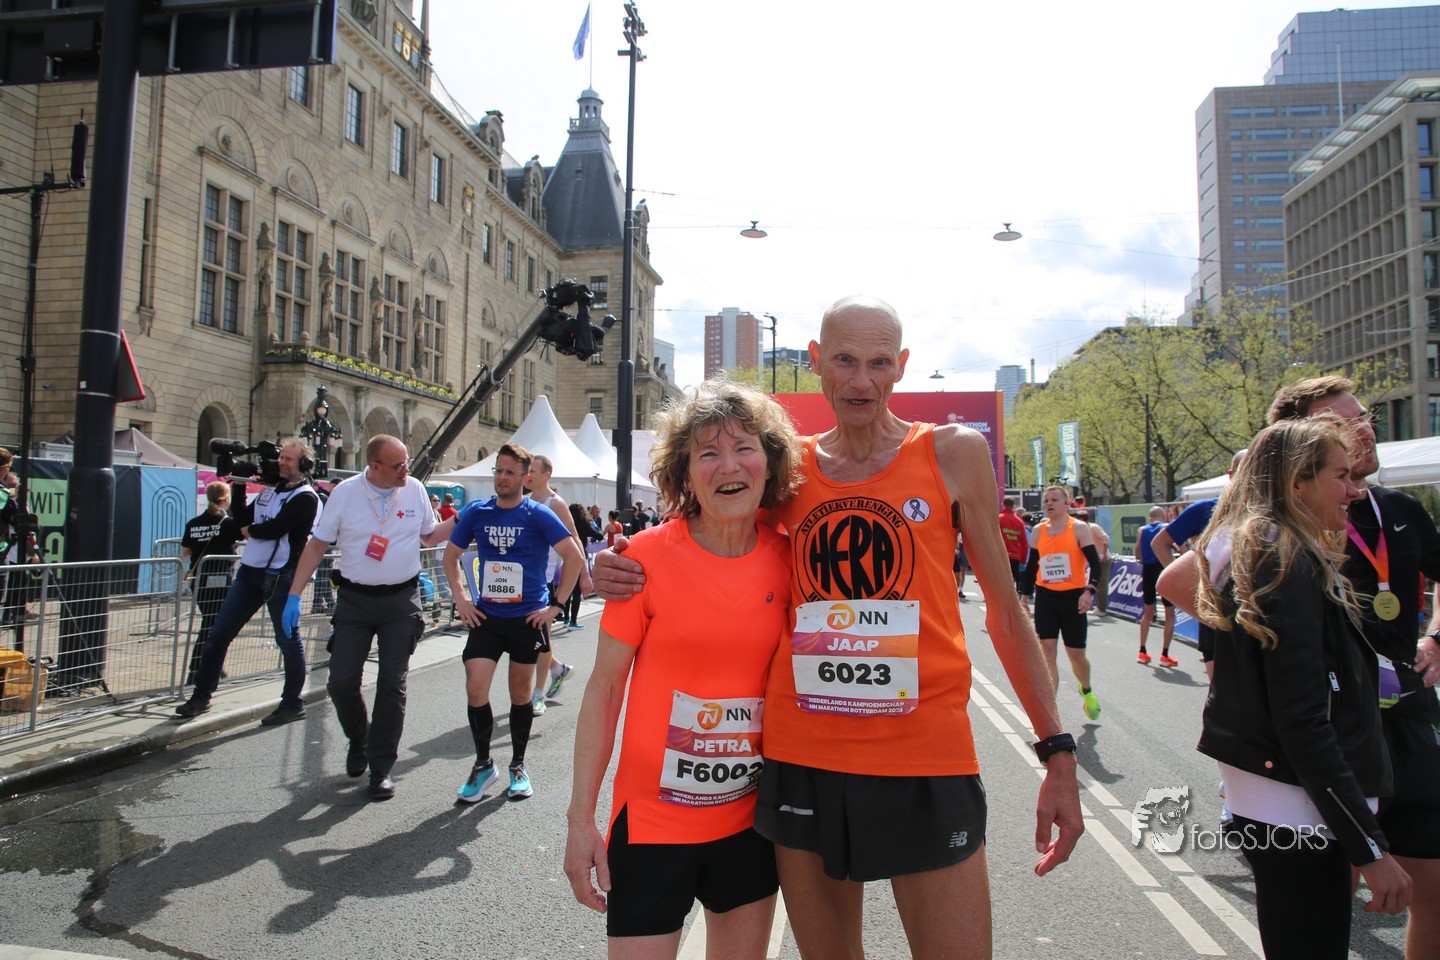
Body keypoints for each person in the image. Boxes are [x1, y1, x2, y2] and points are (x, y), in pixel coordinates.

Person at [595, 296, 1082, 960]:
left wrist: (1057, 750)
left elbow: (1004, 612)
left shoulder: (953, 453)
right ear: (817, 362)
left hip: (925, 758)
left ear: (901, 365)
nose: (861, 381)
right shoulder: (787, 469)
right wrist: (620, 560)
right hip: (806, 761)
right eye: (845, 361)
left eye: (878, 363)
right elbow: (706, 525)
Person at [565, 381, 800, 958]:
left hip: (749, 825)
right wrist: (580, 821)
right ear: (685, 474)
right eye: (708, 453)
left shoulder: (792, 558)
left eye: (744, 448)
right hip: (651, 826)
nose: (729, 466)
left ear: (770, 464)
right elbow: (604, 691)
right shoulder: (642, 560)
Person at [1192, 416, 1410, 958]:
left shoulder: (1272, 550)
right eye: (1341, 476)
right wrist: (1369, 847)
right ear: (1297, 483)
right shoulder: (1285, 561)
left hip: (1288, 803)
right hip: (1296, 810)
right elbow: (1303, 720)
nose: (1355, 490)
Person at [1268, 376, 1440, 960]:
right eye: (1343, 422)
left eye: (1364, 416)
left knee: (1433, 887)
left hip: (1407, 718)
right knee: (1325, 903)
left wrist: (1436, 637)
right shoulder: (1278, 524)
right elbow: (1181, 583)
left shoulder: (1400, 509)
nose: (1364, 429)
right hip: (1330, 731)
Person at [283, 434, 454, 801]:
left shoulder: (414, 490)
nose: (406, 470)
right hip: (355, 601)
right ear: (374, 466)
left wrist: (466, 520)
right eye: (398, 465)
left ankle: (380, 768)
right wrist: (294, 595)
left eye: (406, 462)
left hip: (401, 600)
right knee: (341, 681)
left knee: (393, 684)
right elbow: (317, 544)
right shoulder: (345, 494)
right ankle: (359, 738)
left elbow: (429, 536)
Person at [443, 443, 584, 803]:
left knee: (520, 695)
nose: (502, 478)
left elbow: (573, 556)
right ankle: (483, 765)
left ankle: (518, 766)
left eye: (510, 473)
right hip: (487, 617)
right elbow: (451, 555)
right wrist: (461, 600)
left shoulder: (538, 514)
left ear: (525, 478)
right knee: (475, 687)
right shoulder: (477, 511)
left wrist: (556, 606)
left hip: (526, 620)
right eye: (499, 471)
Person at [175, 440, 320, 727]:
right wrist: (239, 486)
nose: (281, 462)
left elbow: (274, 529)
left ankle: (292, 702)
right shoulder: (269, 492)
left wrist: (249, 530)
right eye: (281, 457)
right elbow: (238, 520)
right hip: (250, 573)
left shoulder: (306, 497)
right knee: (218, 633)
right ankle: (201, 696)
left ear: (304, 465)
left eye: (289, 459)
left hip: (282, 576)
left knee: (287, 640)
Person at [1024, 486, 1105, 720]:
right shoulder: (1039, 531)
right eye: (1046, 500)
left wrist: (1089, 591)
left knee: (1076, 656)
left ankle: (1086, 689)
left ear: (1067, 504)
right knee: (1047, 652)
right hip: (1046, 597)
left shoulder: (1078, 528)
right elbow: (1032, 567)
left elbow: (1095, 564)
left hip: (1073, 598)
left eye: (1054, 500)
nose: (1049, 503)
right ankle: (1051, 711)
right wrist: (1024, 597)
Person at [527, 454, 594, 714]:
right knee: (525, 640)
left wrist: (584, 574)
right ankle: (557, 668)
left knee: (540, 638)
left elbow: (574, 538)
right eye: (527, 470)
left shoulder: (556, 504)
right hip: (522, 581)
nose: (528, 475)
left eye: (533, 471)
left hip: (542, 582)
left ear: (547, 475)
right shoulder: (524, 500)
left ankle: (538, 694)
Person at [179, 481, 244, 685]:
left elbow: (185, 551)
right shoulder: (228, 523)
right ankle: (197, 670)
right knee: (212, 626)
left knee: (212, 623)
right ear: (226, 498)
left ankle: (213, 666)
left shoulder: (194, 523)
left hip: (199, 580)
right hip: (220, 580)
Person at [1136, 507, 1177, 668]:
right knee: (1169, 614)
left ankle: (1142, 651)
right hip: (1163, 570)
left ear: (1150, 517)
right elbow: (1179, 547)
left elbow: (1137, 553)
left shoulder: (1142, 530)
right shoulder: (1166, 527)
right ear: (1163, 516)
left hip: (1148, 571)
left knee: (1148, 613)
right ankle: (1164, 655)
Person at [997, 496, 1029, 598]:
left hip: (1000, 556)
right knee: (1016, 583)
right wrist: (1023, 560)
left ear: (1003, 504)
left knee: (1000, 583)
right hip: (1015, 557)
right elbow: (1024, 543)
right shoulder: (1019, 521)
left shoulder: (999, 518)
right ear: (1013, 506)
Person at [1085, 509, 1112, 616]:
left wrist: (1104, 554)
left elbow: (1106, 539)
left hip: (1103, 559)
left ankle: (1101, 609)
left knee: (1102, 584)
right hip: (1095, 560)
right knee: (1095, 583)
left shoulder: (1093, 527)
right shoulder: (1084, 530)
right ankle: (1097, 606)